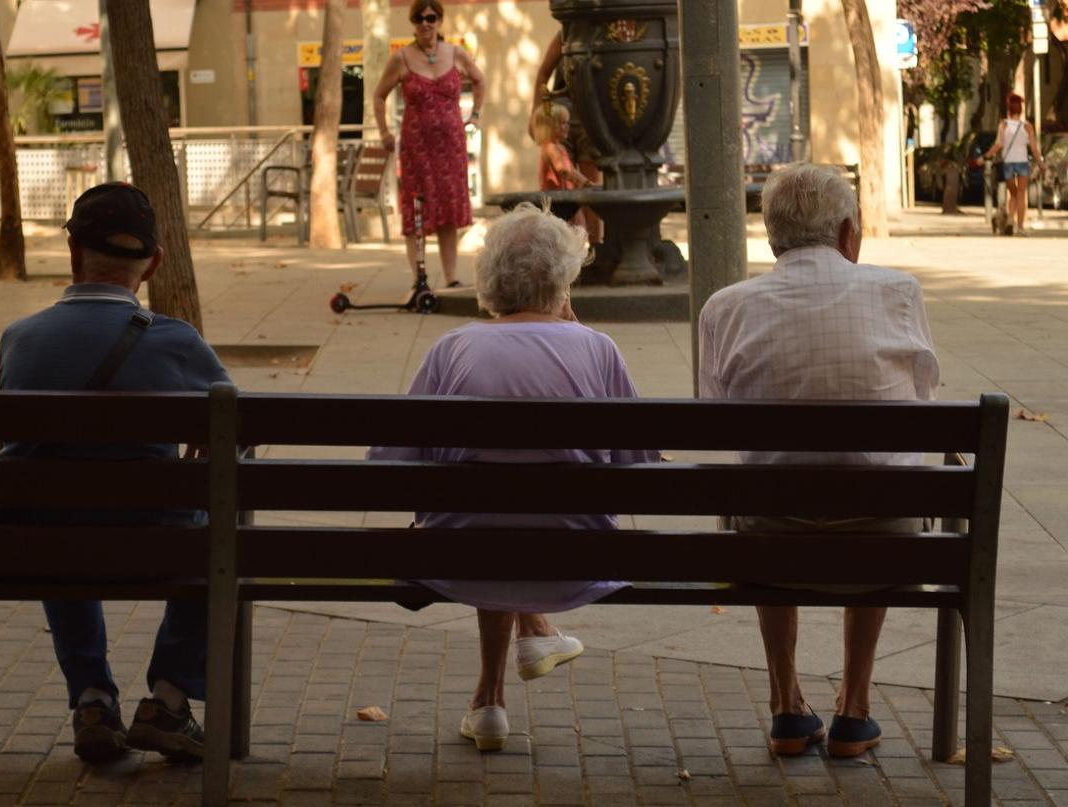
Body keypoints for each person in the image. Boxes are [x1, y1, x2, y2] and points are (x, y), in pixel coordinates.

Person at [368, 204, 660, 752]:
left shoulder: (452, 348)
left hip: (457, 553)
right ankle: (510, 668)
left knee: (485, 513)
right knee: (512, 512)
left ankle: (490, 699)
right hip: (577, 554)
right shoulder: (598, 348)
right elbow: (638, 468)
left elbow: (390, 464)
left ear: (491, 278)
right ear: (563, 280)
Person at [698, 163, 940, 758]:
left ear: (772, 237)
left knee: (762, 489)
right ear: (848, 234)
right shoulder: (899, 292)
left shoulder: (723, 308)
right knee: (881, 476)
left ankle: (786, 706)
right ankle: (854, 710)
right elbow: (923, 398)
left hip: (768, 535)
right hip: (885, 533)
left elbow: (712, 412)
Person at [0, 182, 232, 763]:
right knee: (218, 532)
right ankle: (169, 700)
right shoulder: (177, 342)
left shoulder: (18, 340)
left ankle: (93, 699)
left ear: (73, 253)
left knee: (56, 515)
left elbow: (17, 450)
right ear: (152, 265)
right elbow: (235, 432)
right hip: (155, 542)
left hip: (41, 546)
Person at [373, 0, 484, 290]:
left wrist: (475, 116)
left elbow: (480, 80)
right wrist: (384, 132)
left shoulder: (456, 53)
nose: (425, 23)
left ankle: (451, 276)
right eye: (419, 18)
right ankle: (418, 277)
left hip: (451, 145)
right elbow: (378, 95)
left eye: (431, 17)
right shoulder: (402, 58)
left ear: (439, 20)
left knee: (448, 210)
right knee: (417, 209)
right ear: (413, 23)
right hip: (416, 148)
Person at [529, 31, 603, 244]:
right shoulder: (566, 34)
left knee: (589, 194)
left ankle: (596, 246)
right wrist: (536, 112)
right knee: (573, 207)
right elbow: (544, 72)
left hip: (592, 116)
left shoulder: (604, 32)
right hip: (564, 109)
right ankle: (572, 250)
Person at [983, 92, 1046, 236]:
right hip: (1022, 163)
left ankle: (1011, 220)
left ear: (1009, 110)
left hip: (1008, 164)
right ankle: (1020, 226)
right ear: (1021, 110)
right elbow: (1034, 148)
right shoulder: (1027, 126)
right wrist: (1040, 163)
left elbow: (999, 144)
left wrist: (986, 156)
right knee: (1021, 194)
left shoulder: (1003, 125)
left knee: (1013, 193)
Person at [534, 101, 597, 192]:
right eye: (562, 123)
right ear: (549, 126)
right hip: (554, 196)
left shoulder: (560, 147)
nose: (567, 126)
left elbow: (571, 169)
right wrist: (579, 182)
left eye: (567, 123)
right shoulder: (551, 148)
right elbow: (563, 169)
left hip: (562, 192)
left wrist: (586, 182)